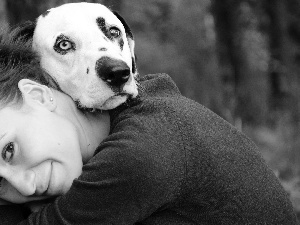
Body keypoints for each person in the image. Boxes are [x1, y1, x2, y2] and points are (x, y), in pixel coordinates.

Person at [0, 28, 298, 225]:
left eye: (9, 150)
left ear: (38, 96)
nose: (24, 186)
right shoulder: (141, 108)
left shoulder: (140, 152)